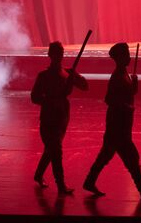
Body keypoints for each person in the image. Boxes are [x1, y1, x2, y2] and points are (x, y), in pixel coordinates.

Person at [83, 43, 141, 198]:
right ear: (119, 58)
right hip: (117, 124)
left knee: (107, 155)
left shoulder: (124, 74)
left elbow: (130, 93)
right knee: (130, 156)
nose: (129, 57)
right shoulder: (117, 77)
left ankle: (90, 181)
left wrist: (134, 83)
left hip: (122, 123)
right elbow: (109, 99)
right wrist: (126, 107)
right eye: (126, 55)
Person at [31, 41, 88, 194]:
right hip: (49, 117)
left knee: (52, 149)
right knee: (55, 150)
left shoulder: (68, 72)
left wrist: (75, 77)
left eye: (61, 52)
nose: (59, 55)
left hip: (62, 116)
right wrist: (50, 101)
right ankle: (61, 185)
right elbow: (34, 97)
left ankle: (38, 174)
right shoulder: (43, 76)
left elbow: (85, 87)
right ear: (50, 55)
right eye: (56, 52)